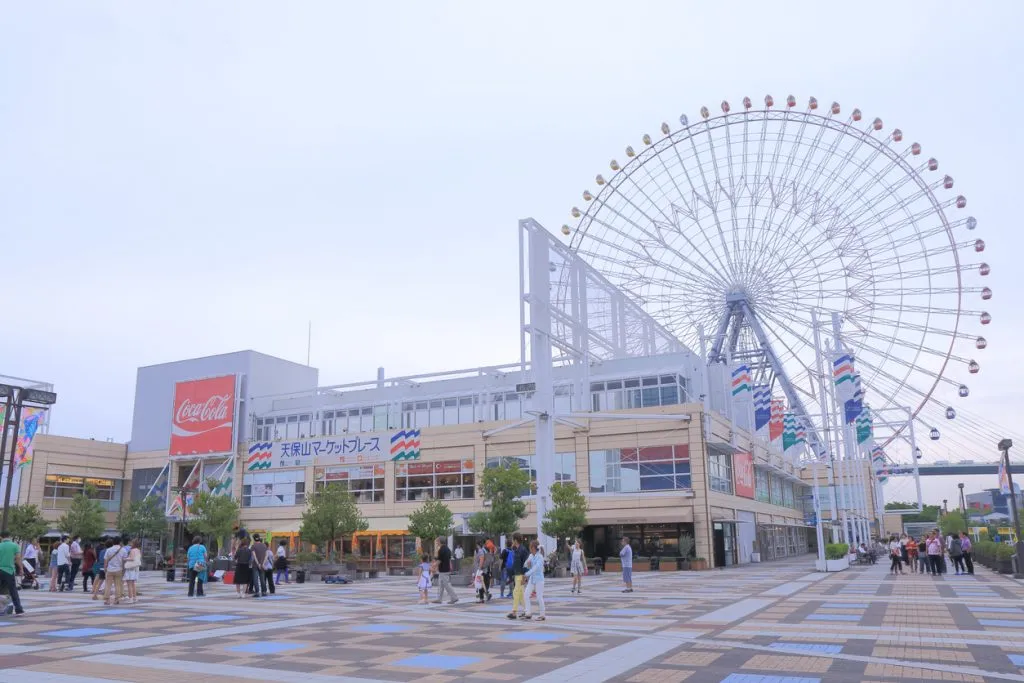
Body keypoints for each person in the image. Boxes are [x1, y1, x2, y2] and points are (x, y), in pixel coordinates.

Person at [0, 530, 25, 616]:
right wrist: (21, 568)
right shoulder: (14, 546)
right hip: (9, 571)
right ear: (9, 536)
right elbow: (18, 558)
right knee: (13, 590)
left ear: (1, 537)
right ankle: (18, 609)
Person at [522, 540, 546, 621]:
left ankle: (542, 615)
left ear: (533, 547)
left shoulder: (540, 557)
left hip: (539, 579)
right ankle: (528, 613)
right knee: (526, 594)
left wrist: (526, 574)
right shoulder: (531, 556)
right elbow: (525, 564)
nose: (529, 548)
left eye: (530, 546)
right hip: (532, 579)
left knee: (539, 597)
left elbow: (536, 568)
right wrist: (527, 564)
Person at [506, 534, 529, 619]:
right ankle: (526, 611)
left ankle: (514, 612)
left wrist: (524, 576)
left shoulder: (523, 550)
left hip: (520, 574)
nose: (512, 541)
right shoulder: (516, 549)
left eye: (513, 539)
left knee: (516, 592)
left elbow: (525, 564)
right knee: (520, 594)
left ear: (515, 540)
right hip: (517, 574)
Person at [432, 537, 459, 605]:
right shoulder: (448, 549)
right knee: (441, 585)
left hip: (443, 570)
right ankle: (439, 599)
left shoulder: (441, 550)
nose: (437, 543)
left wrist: (433, 566)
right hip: (446, 569)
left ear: (440, 542)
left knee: (447, 585)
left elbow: (439, 560)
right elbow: (448, 560)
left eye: (437, 541)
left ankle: (454, 597)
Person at [103, 538, 124, 606]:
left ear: (113, 542)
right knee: (118, 585)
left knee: (108, 585)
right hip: (119, 569)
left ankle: (107, 600)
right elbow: (124, 560)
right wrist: (123, 569)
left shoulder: (108, 550)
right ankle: (117, 599)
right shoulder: (123, 550)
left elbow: (105, 560)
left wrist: (105, 567)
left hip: (110, 569)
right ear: (120, 542)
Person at [123, 539, 142, 604]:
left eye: (131, 542)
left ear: (133, 544)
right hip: (135, 568)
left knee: (129, 584)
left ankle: (130, 598)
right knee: (133, 584)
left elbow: (132, 558)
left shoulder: (132, 550)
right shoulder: (138, 550)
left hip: (130, 568)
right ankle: (135, 598)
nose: (130, 543)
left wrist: (125, 559)